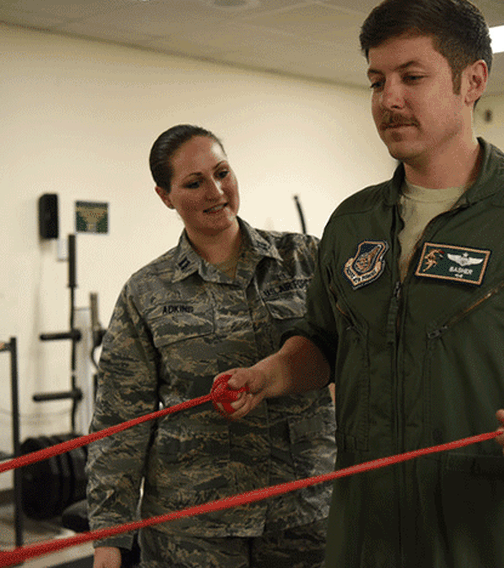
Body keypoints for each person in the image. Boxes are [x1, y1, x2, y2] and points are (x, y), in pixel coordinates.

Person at [217, 1, 504, 567]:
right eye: (376, 81)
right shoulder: (351, 223)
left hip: (486, 540)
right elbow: (324, 341)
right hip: (363, 537)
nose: (389, 99)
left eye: (412, 77)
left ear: (473, 80)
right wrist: (271, 375)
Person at [85, 124, 336, 568]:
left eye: (222, 172)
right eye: (194, 182)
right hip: (194, 531)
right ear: (165, 196)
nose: (216, 190)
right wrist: (110, 535)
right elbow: (121, 421)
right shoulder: (147, 292)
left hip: (303, 515)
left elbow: (357, 358)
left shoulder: (306, 259)